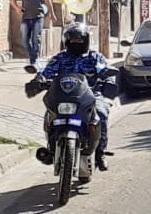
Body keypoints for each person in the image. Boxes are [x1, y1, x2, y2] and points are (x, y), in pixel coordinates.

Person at [32, 23, 114, 170]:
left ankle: (100, 153)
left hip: (90, 95)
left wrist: (108, 79)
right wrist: (40, 80)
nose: (76, 43)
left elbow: (103, 70)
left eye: (79, 40)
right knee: (50, 115)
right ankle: (51, 148)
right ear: (67, 41)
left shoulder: (94, 57)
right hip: (64, 95)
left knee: (101, 114)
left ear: (86, 40)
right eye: (72, 40)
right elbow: (47, 71)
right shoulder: (60, 58)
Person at [11, 0, 57, 68]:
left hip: (38, 16)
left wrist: (52, 13)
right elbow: (13, 0)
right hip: (26, 17)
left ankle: (34, 60)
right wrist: (17, 9)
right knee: (25, 40)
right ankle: (32, 57)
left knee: (36, 39)